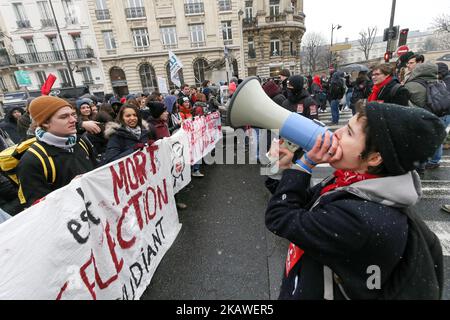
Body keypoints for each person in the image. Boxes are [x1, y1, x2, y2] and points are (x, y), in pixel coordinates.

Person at [265, 100, 445, 299]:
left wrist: (305, 163)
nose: (337, 133)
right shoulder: (354, 182)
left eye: (349, 132)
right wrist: (284, 171)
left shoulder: (361, 219)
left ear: (375, 158)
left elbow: (281, 218)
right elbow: (304, 203)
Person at [17, 96, 96, 207]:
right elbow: (38, 208)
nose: (74, 120)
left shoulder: (81, 142)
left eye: (73, 114)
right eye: (64, 117)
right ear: (45, 122)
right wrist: (70, 189)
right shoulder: (32, 160)